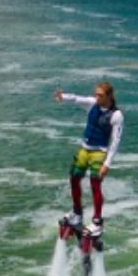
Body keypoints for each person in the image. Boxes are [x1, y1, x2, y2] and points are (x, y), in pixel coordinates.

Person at [53, 82, 124, 235]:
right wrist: (62, 96)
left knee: (95, 184)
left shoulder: (116, 115)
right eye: (96, 94)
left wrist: (107, 164)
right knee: (74, 178)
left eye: (100, 95)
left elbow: (116, 141)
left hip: (100, 151)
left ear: (109, 96)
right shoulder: (92, 104)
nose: (96, 97)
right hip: (85, 148)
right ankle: (77, 214)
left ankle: (97, 222)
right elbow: (76, 99)